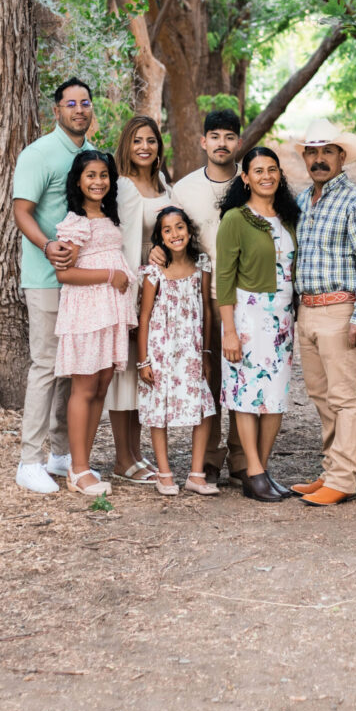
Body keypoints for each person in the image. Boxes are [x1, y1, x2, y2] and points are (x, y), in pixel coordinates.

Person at [291, 119, 356, 507]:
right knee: (321, 395)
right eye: (312, 152)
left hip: (341, 310)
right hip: (308, 310)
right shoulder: (302, 201)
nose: (318, 159)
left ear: (341, 156)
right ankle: (331, 470)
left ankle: (344, 479)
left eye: (327, 151)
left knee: (344, 398)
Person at [12, 77, 94, 493]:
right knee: (45, 365)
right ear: (57, 110)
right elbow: (21, 211)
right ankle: (29, 461)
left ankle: (61, 455)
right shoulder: (39, 154)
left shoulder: (91, 155)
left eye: (85, 102)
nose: (79, 109)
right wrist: (47, 246)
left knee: (70, 368)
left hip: (79, 282)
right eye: (71, 103)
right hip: (45, 278)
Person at [165, 109, 245, 484]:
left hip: (245, 295)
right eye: (215, 136)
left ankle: (243, 458)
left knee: (244, 377)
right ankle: (209, 457)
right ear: (203, 141)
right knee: (209, 376)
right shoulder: (184, 189)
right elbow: (173, 236)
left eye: (229, 136)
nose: (221, 143)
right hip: (201, 295)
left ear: (238, 143)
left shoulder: (252, 181)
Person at [216, 147, 299, 503]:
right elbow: (223, 277)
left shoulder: (288, 217)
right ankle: (253, 470)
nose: (267, 176)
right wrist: (229, 331)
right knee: (247, 395)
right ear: (246, 178)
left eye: (272, 169)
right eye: (259, 170)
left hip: (282, 318)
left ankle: (260, 471)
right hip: (247, 316)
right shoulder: (236, 219)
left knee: (275, 397)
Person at [54, 151, 137, 498]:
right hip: (87, 312)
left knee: (101, 387)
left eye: (104, 175)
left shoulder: (106, 215)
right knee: (85, 389)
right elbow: (65, 273)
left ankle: (82, 464)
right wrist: (110, 275)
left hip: (109, 312)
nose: (98, 181)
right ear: (78, 181)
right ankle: (77, 469)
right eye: (91, 175)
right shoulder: (76, 222)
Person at [105, 114, 171, 486]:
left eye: (151, 140)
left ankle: (136, 452)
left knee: (144, 370)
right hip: (132, 283)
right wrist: (128, 293)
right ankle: (122, 457)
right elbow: (120, 240)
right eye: (137, 140)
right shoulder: (122, 187)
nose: (144, 147)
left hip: (159, 288)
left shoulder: (163, 183)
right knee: (125, 372)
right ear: (127, 146)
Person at [137, 207, 216, 497]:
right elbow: (145, 316)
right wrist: (143, 360)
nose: (175, 234)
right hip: (161, 349)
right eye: (167, 230)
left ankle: (196, 474)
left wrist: (206, 352)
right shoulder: (154, 272)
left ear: (189, 230)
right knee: (159, 409)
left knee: (204, 407)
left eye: (179, 227)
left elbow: (206, 308)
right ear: (160, 238)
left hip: (191, 349)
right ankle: (164, 473)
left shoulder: (202, 264)